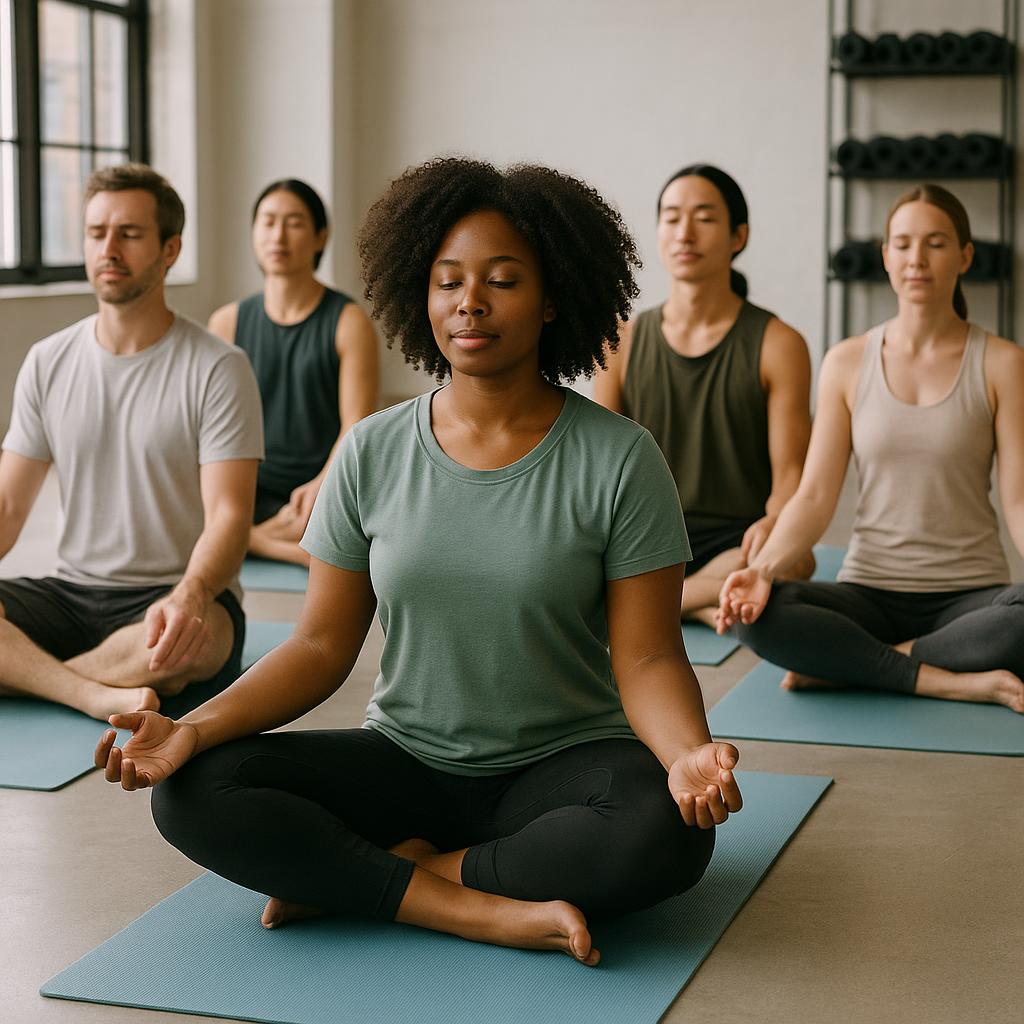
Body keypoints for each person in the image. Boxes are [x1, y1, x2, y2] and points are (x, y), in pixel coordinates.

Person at [96, 158, 743, 966]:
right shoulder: (371, 449)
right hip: (407, 760)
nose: (470, 301)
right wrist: (188, 730)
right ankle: (475, 909)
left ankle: (396, 876)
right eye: (448, 281)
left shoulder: (619, 458)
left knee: (666, 833)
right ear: (419, 294)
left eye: (502, 280)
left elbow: (647, 655)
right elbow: (318, 648)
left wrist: (686, 755)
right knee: (191, 792)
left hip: (563, 764)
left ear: (552, 299)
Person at [717, 184, 1024, 713]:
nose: (917, 260)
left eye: (936, 243)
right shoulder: (847, 362)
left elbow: (1018, 500)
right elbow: (814, 496)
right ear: (885, 256)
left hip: (970, 595)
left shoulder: (1002, 363)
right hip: (868, 591)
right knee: (760, 614)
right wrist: (762, 571)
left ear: (965, 256)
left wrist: (842, 659)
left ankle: (849, 666)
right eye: (902, 244)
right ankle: (955, 680)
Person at [0, 164, 264, 721]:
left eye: (130, 234)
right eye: (97, 233)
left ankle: (34, 672)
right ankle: (90, 690)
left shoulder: (219, 367)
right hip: (70, 592)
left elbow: (229, 516)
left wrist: (191, 594)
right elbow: (8, 503)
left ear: (170, 250)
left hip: (172, 595)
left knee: (193, 642)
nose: (109, 249)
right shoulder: (48, 361)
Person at [594, 165, 814, 627]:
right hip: (647, 537)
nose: (685, 233)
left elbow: (790, 477)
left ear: (738, 236)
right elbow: (598, 470)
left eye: (705, 218)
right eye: (672, 218)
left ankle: (669, 604)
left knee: (796, 562)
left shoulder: (779, 343)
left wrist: (774, 532)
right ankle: (707, 600)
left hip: (739, 542)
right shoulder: (620, 342)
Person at [208, 179, 378, 566]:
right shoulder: (227, 323)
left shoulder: (348, 321)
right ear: (253, 234)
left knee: (357, 519)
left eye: (294, 223)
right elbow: (208, 429)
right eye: (267, 222)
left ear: (321, 237)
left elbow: (357, 425)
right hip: (248, 486)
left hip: (321, 486)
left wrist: (321, 485)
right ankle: (278, 546)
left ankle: (246, 539)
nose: (278, 235)